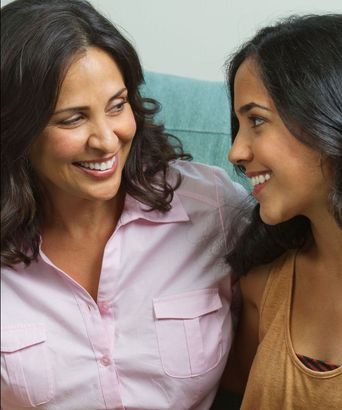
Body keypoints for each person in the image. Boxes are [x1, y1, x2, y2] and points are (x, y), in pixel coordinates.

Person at [0, 0, 247, 409]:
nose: (107, 139)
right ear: (16, 130)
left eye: (117, 106)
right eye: (72, 119)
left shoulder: (213, 209)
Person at [214, 14, 342, 410]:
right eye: (238, 125)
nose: (236, 152)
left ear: (327, 116)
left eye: (256, 120)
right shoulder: (263, 281)